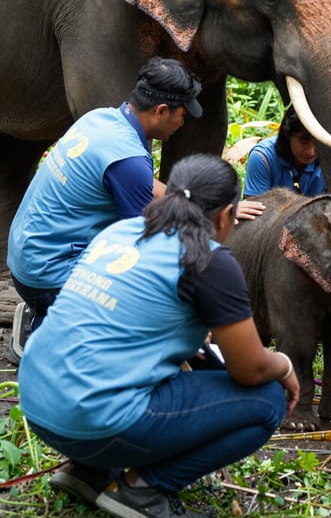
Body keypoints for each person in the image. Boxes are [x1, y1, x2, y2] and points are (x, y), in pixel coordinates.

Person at [18, 154, 299, 518]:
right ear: (226, 215)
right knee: (267, 400)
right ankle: (142, 490)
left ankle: (89, 471)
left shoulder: (122, 230)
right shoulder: (208, 258)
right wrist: (284, 365)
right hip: (91, 420)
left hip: (37, 402)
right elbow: (251, 370)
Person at [7, 56, 203, 360]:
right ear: (162, 111)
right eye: (182, 115)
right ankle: (50, 335)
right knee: (148, 304)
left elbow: (145, 185)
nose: (183, 123)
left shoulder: (101, 120)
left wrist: (208, 204)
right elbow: (143, 249)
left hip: (26, 257)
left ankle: (52, 313)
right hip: (47, 276)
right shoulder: (129, 160)